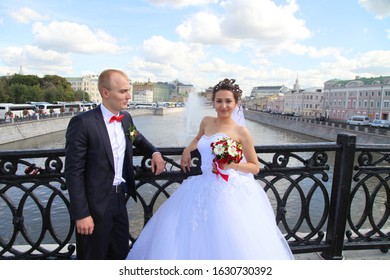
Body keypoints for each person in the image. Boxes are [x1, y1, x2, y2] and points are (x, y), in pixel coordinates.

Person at [126, 78, 294, 260]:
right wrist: (187, 150)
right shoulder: (206, 121)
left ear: (236, 103)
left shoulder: (241, 132)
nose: (223, 105)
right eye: (219, 101)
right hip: (201, 185)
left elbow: (255, 167)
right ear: (213, 102)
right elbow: (198, 139)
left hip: (228, 191)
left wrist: (232, 165)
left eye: (228, 101)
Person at [65, 69, 165, 260]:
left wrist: (155, 152)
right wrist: (81, 214)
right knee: (93, 258)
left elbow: (138, 138)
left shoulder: (125, 118)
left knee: (119, 255)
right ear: (105, 93)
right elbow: (73, 172)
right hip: (93, 206)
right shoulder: (82, 123)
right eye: (123, 91)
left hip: (120, 200)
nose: (129, 96)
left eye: (129, 90)